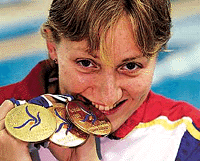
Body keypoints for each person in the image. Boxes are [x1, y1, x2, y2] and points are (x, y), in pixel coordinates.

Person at [0, 0, 200, 160]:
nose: (108, 95)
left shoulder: (187, 139)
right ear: (52, 47)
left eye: (130, 66)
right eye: (86, 63)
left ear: (157, 54)